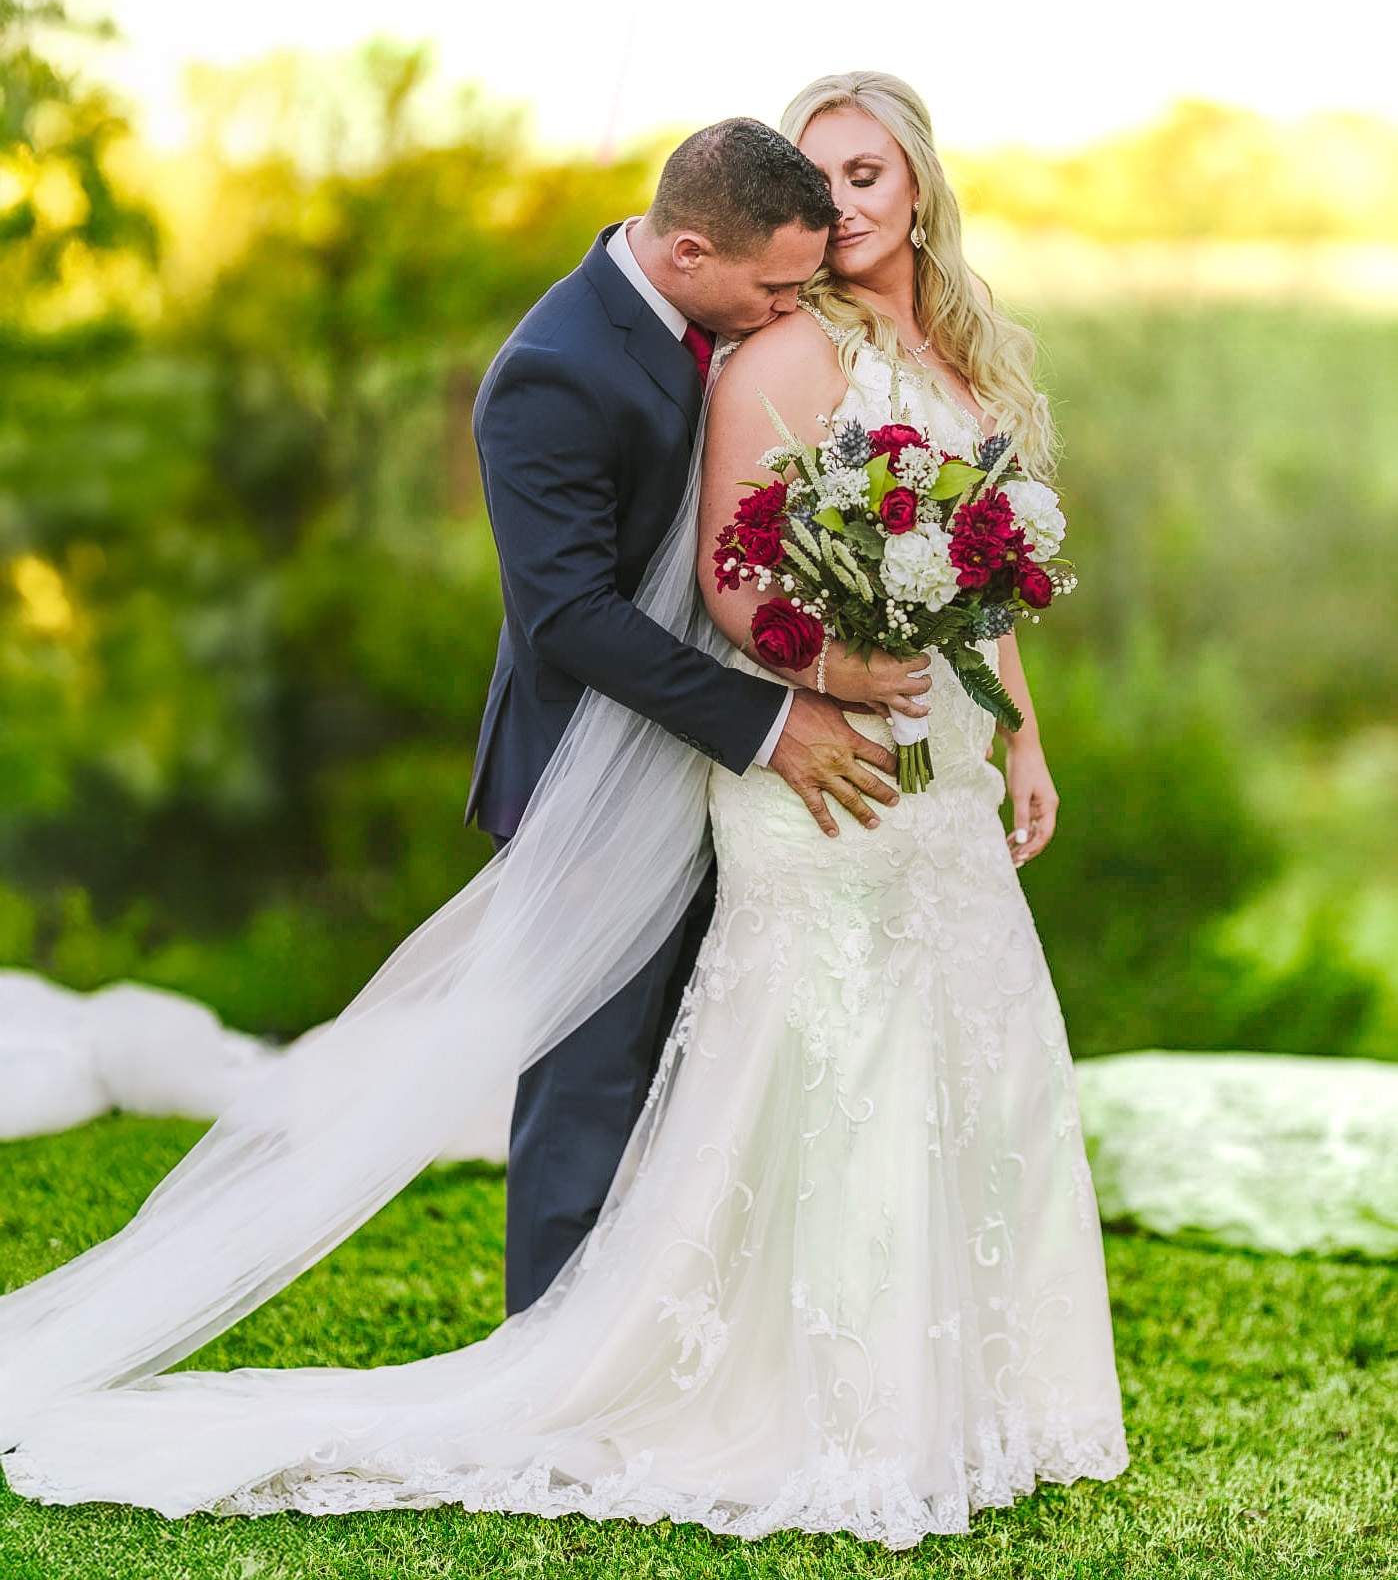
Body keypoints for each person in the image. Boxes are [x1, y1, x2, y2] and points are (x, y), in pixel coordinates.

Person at [1, 75, 1127, 1547]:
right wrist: (814, 685)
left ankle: (973, 1390)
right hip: (707, 742)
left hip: (930, 774)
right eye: (819, 181)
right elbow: (654, 598)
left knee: (948, 1053)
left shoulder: (947, 353)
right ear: (711, 246)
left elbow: (984, 594)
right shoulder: (755, 350)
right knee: (691, 1064)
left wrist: (1017, 741)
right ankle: (592, 1360)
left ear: (918, 184)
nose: (843, 209)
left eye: (865, 175)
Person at [465, 119, 931, 1314]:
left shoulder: (722, 322)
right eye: (775, 289)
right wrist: (780, 726)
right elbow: (569, 614)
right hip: (592, 774)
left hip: (717, 764)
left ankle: (673, 1355)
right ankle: (545, 1379)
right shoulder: (553, 369)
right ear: (686, 252)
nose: (789, 311)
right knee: (590, 1088)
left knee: (706, 1073)